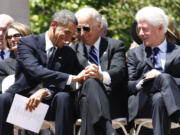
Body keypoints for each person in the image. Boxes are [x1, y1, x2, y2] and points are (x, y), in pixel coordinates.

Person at [0, 9, 85, 135]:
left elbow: (79, 76)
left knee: (64, 97)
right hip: (24, 105)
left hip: (50, 105)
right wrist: (72, 78)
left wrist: (46, 91)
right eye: (66, 32)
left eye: (71, 35)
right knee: (4, 98)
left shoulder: (68, 52)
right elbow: (36, 70)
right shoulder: (26, 43)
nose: (68, 39)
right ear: (54, 25)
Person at [73, 7, 127, 135]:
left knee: (89, 97)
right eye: (78, 29)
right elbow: (68, 80)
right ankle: (108, 129)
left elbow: (119, 72)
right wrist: (80, 79)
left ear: (98, 26)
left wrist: (101, 75)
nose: (82, 33)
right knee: (90, 82)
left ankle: (106, 127)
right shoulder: (72, 50)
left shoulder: (115, 46)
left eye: (86, 28)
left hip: (109, 100)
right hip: (79, 101)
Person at [127, 6, 180, 135]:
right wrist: (147, 80)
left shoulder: (178, 52)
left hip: (169, 101)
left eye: (144, 29)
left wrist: (162, 76)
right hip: (143, 103)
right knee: (163, 79)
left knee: (160, 97)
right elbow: (129, 85)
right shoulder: (134, 54)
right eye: (139, 29)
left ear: (160, 28)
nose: (140, 34)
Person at [0, 22, 32, 93]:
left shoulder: (41, 58)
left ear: (26, 36)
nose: (12, 39)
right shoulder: (4, 65)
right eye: (9, 37)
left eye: (16, 35)